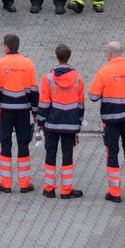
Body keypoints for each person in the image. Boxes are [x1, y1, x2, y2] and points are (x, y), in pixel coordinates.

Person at [87, 40, 125, 203]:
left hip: (111, 121)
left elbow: (93, 96)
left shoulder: (104, 71)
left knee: (112, 153)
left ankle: (115, 193)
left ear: (109, 54)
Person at [0, 34, 39, 193]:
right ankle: (25, 184)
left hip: (5, 111)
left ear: (6, 47)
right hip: (23, 111)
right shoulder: (28, 63)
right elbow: (34, 91)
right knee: (23, 144)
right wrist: (35, 111)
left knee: (5, 144)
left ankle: (6, 184)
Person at [38, 43, 86, 199]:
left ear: (56, 57)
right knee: (67, 154)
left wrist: (40, 122)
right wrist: (78, 123)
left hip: (52, 124)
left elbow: (44, 102)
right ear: (69, 57)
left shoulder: (48, 78)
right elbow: (80, 103)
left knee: (50, 153)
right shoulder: (78, 78)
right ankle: (66, 190)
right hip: (70, 123)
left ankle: (49, 188)